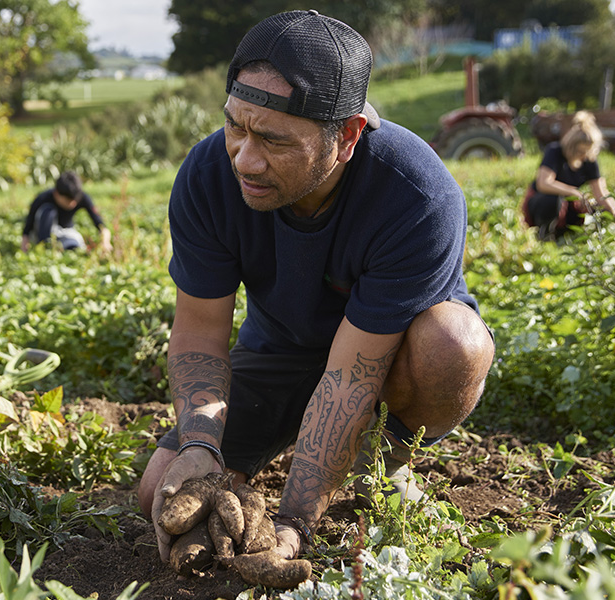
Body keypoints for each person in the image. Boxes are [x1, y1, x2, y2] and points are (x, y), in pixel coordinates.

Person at [135, 11, 496, 565]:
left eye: (274, 141)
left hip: (389, 361)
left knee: (455, 343)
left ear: (347, 136)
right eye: (236, 126)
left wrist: (294, 526)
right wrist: (200, 448)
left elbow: (351, 380)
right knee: (161, 488)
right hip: (281, 350)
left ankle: (383, 465)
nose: (244, 159)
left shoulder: (415, 195)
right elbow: (199, 336)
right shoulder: (210, 174)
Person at [522, 111, 615, 242]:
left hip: (569, 207)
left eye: (586, 152)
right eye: (580, 151)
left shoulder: (589, 161)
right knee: (552, 200)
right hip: (543, 203)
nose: (583, 155)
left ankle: (576, 237)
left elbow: (601, 192)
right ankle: (544, 235)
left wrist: (614, 210)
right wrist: (573, 192)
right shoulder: (555, 152)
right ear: (571, 146)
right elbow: (543, 183)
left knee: (598, 207)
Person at [21, 170, 112, 253]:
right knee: (48, 211)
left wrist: (105, 242)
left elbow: (101, 225)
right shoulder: (43, 198)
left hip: (65, 232)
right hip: (41, 233)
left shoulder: (82, 197)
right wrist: (25, 247)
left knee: (74, 246)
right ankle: (46, 247)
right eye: (68, 200)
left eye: (74, 200)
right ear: (57, 194)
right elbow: (27, 228)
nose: (72, 204)